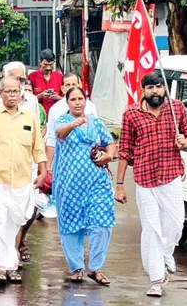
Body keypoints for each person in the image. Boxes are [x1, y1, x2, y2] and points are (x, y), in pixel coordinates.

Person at [116, 72, 187, 297]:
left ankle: (165, 255)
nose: (155, 91)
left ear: (164, 88)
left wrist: (184, 141)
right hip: (144, 178)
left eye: (159, 87)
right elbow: (124, 150)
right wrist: (119, 184)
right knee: (151, 228)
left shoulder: (176, 108)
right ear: (144, 90)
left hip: (170, 176)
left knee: (176, 223)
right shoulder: (132, 114)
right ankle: (157, 279)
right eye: (150, 88)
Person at [0, 76, 47, 286]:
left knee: (16, 222)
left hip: (22, 180)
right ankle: (4, 267)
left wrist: (43, 170)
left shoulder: (29, 117)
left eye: (16, 91)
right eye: (8, 91)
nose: (12, 95)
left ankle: (9, 263)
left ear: (21, 93)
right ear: (0, 93)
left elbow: (37, 147)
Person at [52, 86, 116, 286]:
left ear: (86, 101)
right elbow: (60, 133)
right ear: (67, 102)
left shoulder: (95, 122)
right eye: (73, 100)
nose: (78, 102)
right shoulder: (63, 120)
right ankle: (77, 268)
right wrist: (74, 124)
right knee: (71, 226)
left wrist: (109, 155)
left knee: (102, 222)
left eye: (81, 99)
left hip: (97, 182)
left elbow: (110, 142)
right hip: (70, 184)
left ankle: (96, 267)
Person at [45, 73, 97, 170]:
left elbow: (97, 134)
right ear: (62, 88)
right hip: (64, 159)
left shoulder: (90, 107)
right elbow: (51, 138)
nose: (71, 87)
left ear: (80, 85)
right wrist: (47, 168)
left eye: (74, 84)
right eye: (68, 85)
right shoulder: (55, 109)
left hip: (88, 159)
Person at [29, 49, 64, 114]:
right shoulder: (32, 77)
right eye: (45, 65)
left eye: (51, 65)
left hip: (57, 114)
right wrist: (40, 96)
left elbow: (66, 99)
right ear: (40, 62)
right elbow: (27, 100)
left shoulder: (59, 76)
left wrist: (57, 97)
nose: (48, 68)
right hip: (38, 114)